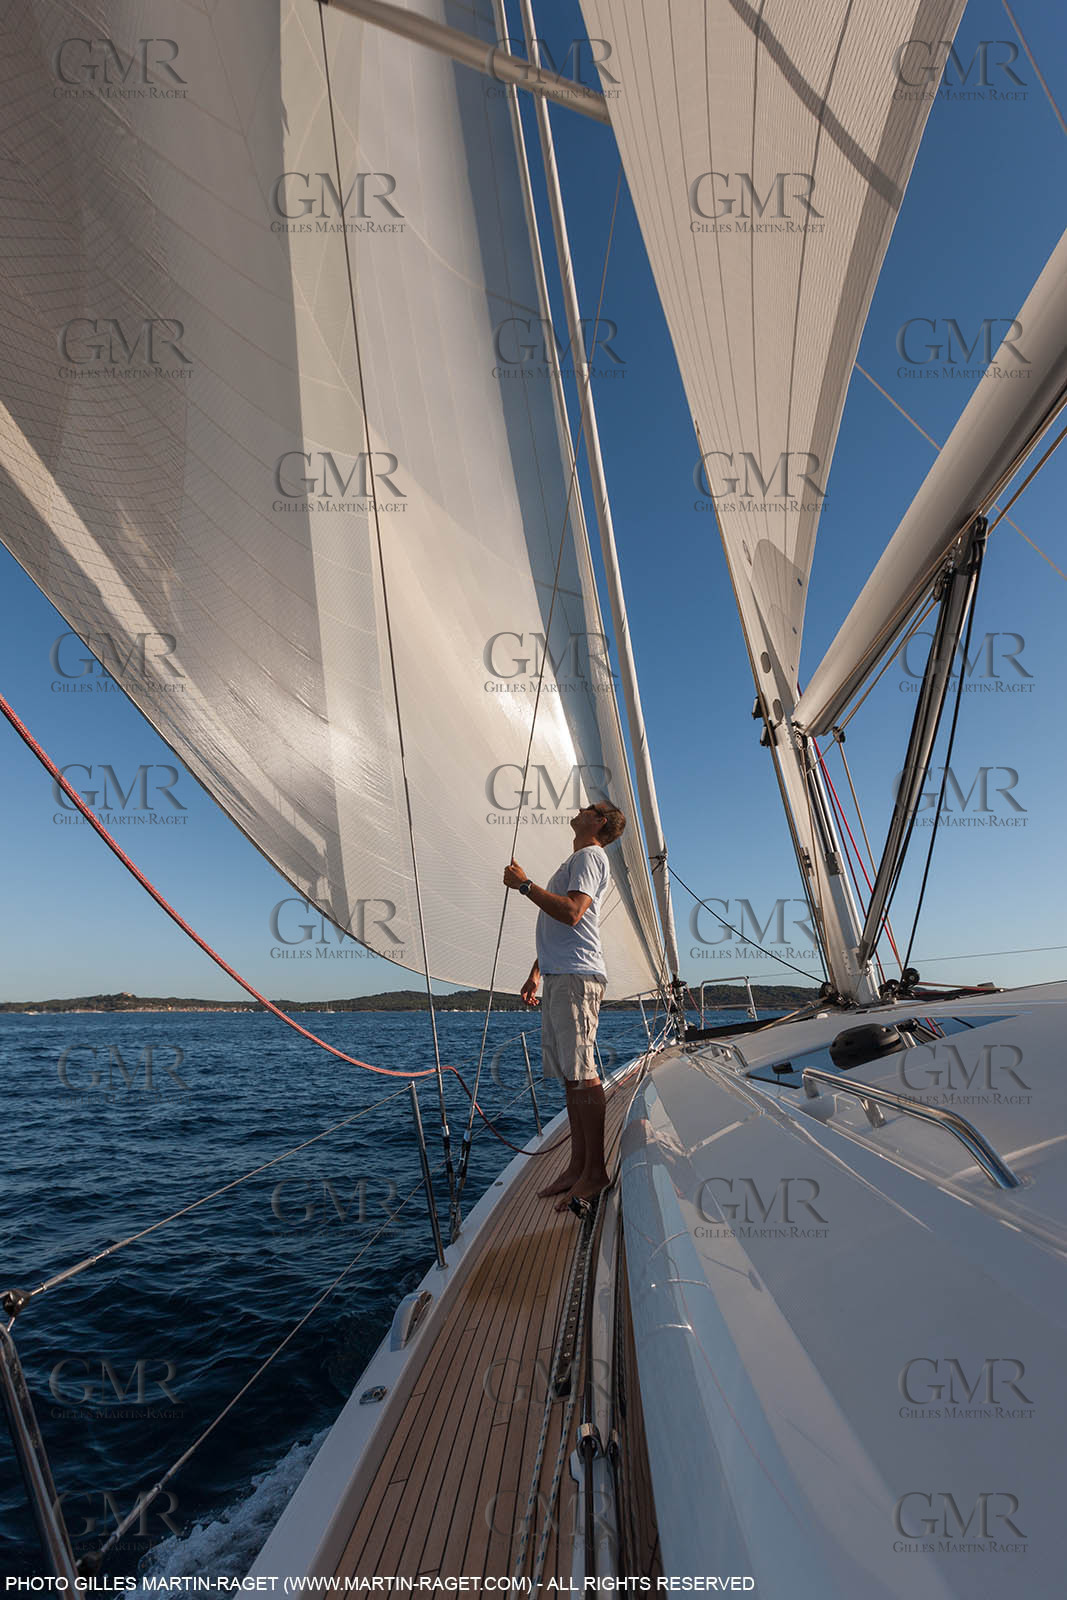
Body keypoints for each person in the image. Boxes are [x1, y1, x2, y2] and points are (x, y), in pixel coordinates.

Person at [502, 801, 626, 1214]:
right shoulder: (577, 858)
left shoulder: (591, 856)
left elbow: (572, 914)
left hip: (577, 977)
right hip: (560, 976)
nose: (580, 808)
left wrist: (524, 885)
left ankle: (596, 1172)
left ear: (600, 822)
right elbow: (560, 924)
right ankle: (577, 1165)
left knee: (584, 1075)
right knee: (572, 1078)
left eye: (589, 808)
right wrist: (537, 973)